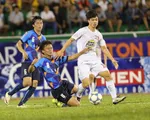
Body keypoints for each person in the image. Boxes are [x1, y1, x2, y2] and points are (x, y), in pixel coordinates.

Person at [57, 10, 126, 104]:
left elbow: (104, 48)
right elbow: (70, 40)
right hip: (83, 60)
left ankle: (114, 98)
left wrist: (112, 60)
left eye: (96, 19)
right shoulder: (82, 31)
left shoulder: (98, 34)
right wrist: (61, 50)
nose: (95, 22)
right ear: (88, 20)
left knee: (108, 75)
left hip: (95, 60)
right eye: (93, 20)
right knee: (86, 83)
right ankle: (77, 95)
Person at [28, 41, 90, 107]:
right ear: (43, 51)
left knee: (76, 89)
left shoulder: (56, 59)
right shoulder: (41, 61)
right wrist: (32, 64)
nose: (50, 50)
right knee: (77, 104)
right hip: (57, 90)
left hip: (62, 83)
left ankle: (64, 100)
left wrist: (82, 52)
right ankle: (62, 102)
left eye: (51, 48)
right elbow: (30, 70)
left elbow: (72, 57)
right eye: (48, 49)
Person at [4, 16, 46, 107]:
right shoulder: (29, 33)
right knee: (27, 82)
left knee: (34, 83)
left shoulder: (43, 38)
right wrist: (23, 52)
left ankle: (21, 104)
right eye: (37, 23)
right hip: (27, 61)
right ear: (33, 25)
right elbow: (18, 44)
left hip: (36, 63)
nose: (40, 25)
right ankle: (9, 94)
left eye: (41, 23)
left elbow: (44, 51)